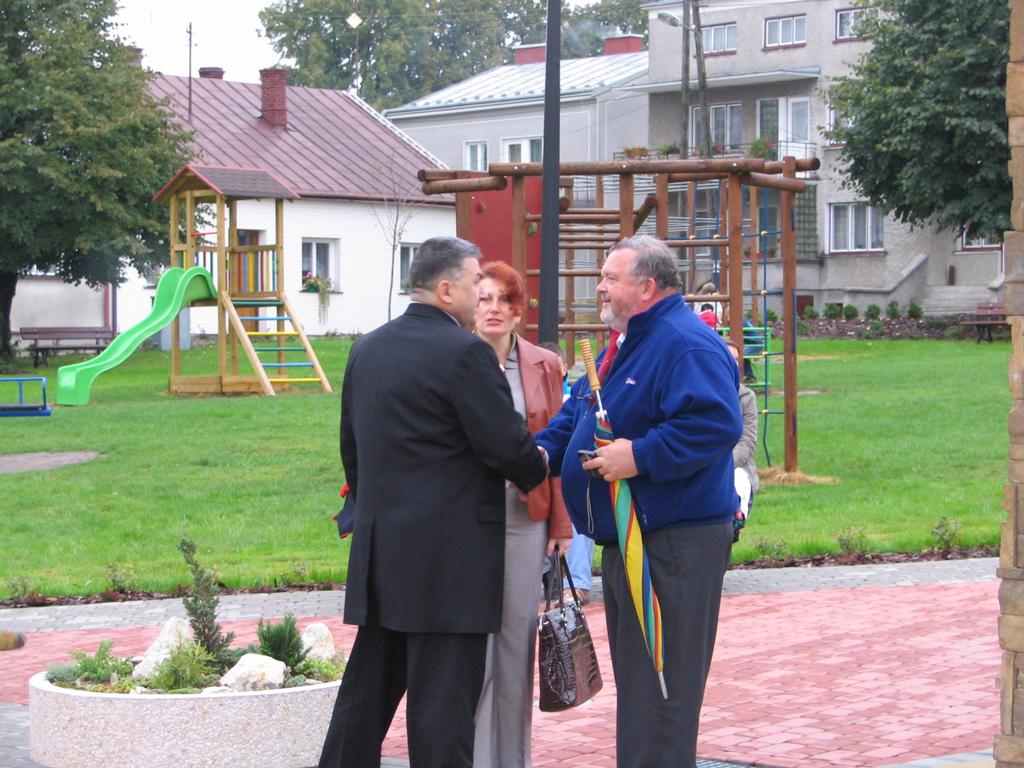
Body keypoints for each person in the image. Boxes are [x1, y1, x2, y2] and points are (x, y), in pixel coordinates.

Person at [318, 237, 549, 768]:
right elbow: (504, 445)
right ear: (446, 290)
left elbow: (352, 450)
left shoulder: (367, 348)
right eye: (474, 282)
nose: (479, 292)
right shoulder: (466, 353)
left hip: (383, 554)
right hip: (450, 565)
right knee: (443, 713)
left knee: (365, 700)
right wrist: (536, 464)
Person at [536, 235, 742, 768]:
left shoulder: (685, 343)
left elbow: (716, 424)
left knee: (664, 686)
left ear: (647, 286)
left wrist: (641, 455)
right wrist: (538, 451)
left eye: (610, 277)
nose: (600, 287)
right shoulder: (626, 341)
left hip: (674, 543)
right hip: (632, 538)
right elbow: (582, 410)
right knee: (641, 685)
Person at [472, 262, 572, 768]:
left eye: (503, 300)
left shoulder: (543, 365)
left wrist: (560, 522)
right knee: (473, 649)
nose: (493, 308)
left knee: (516, 643)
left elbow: (558, 445)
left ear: (518, 312)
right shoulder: (455, 360)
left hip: (522, 517)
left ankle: (512, 759)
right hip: (466, 520)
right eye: (483, 298)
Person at [724, 338, 760, 539]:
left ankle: (735, 521)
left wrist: (724, 464)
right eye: (728, 358)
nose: (734, 364)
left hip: (736, 466)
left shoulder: (746, 397)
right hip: (703, 465)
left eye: (737, 360)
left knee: (738, 480)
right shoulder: (702, 393)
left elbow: (748, 441)